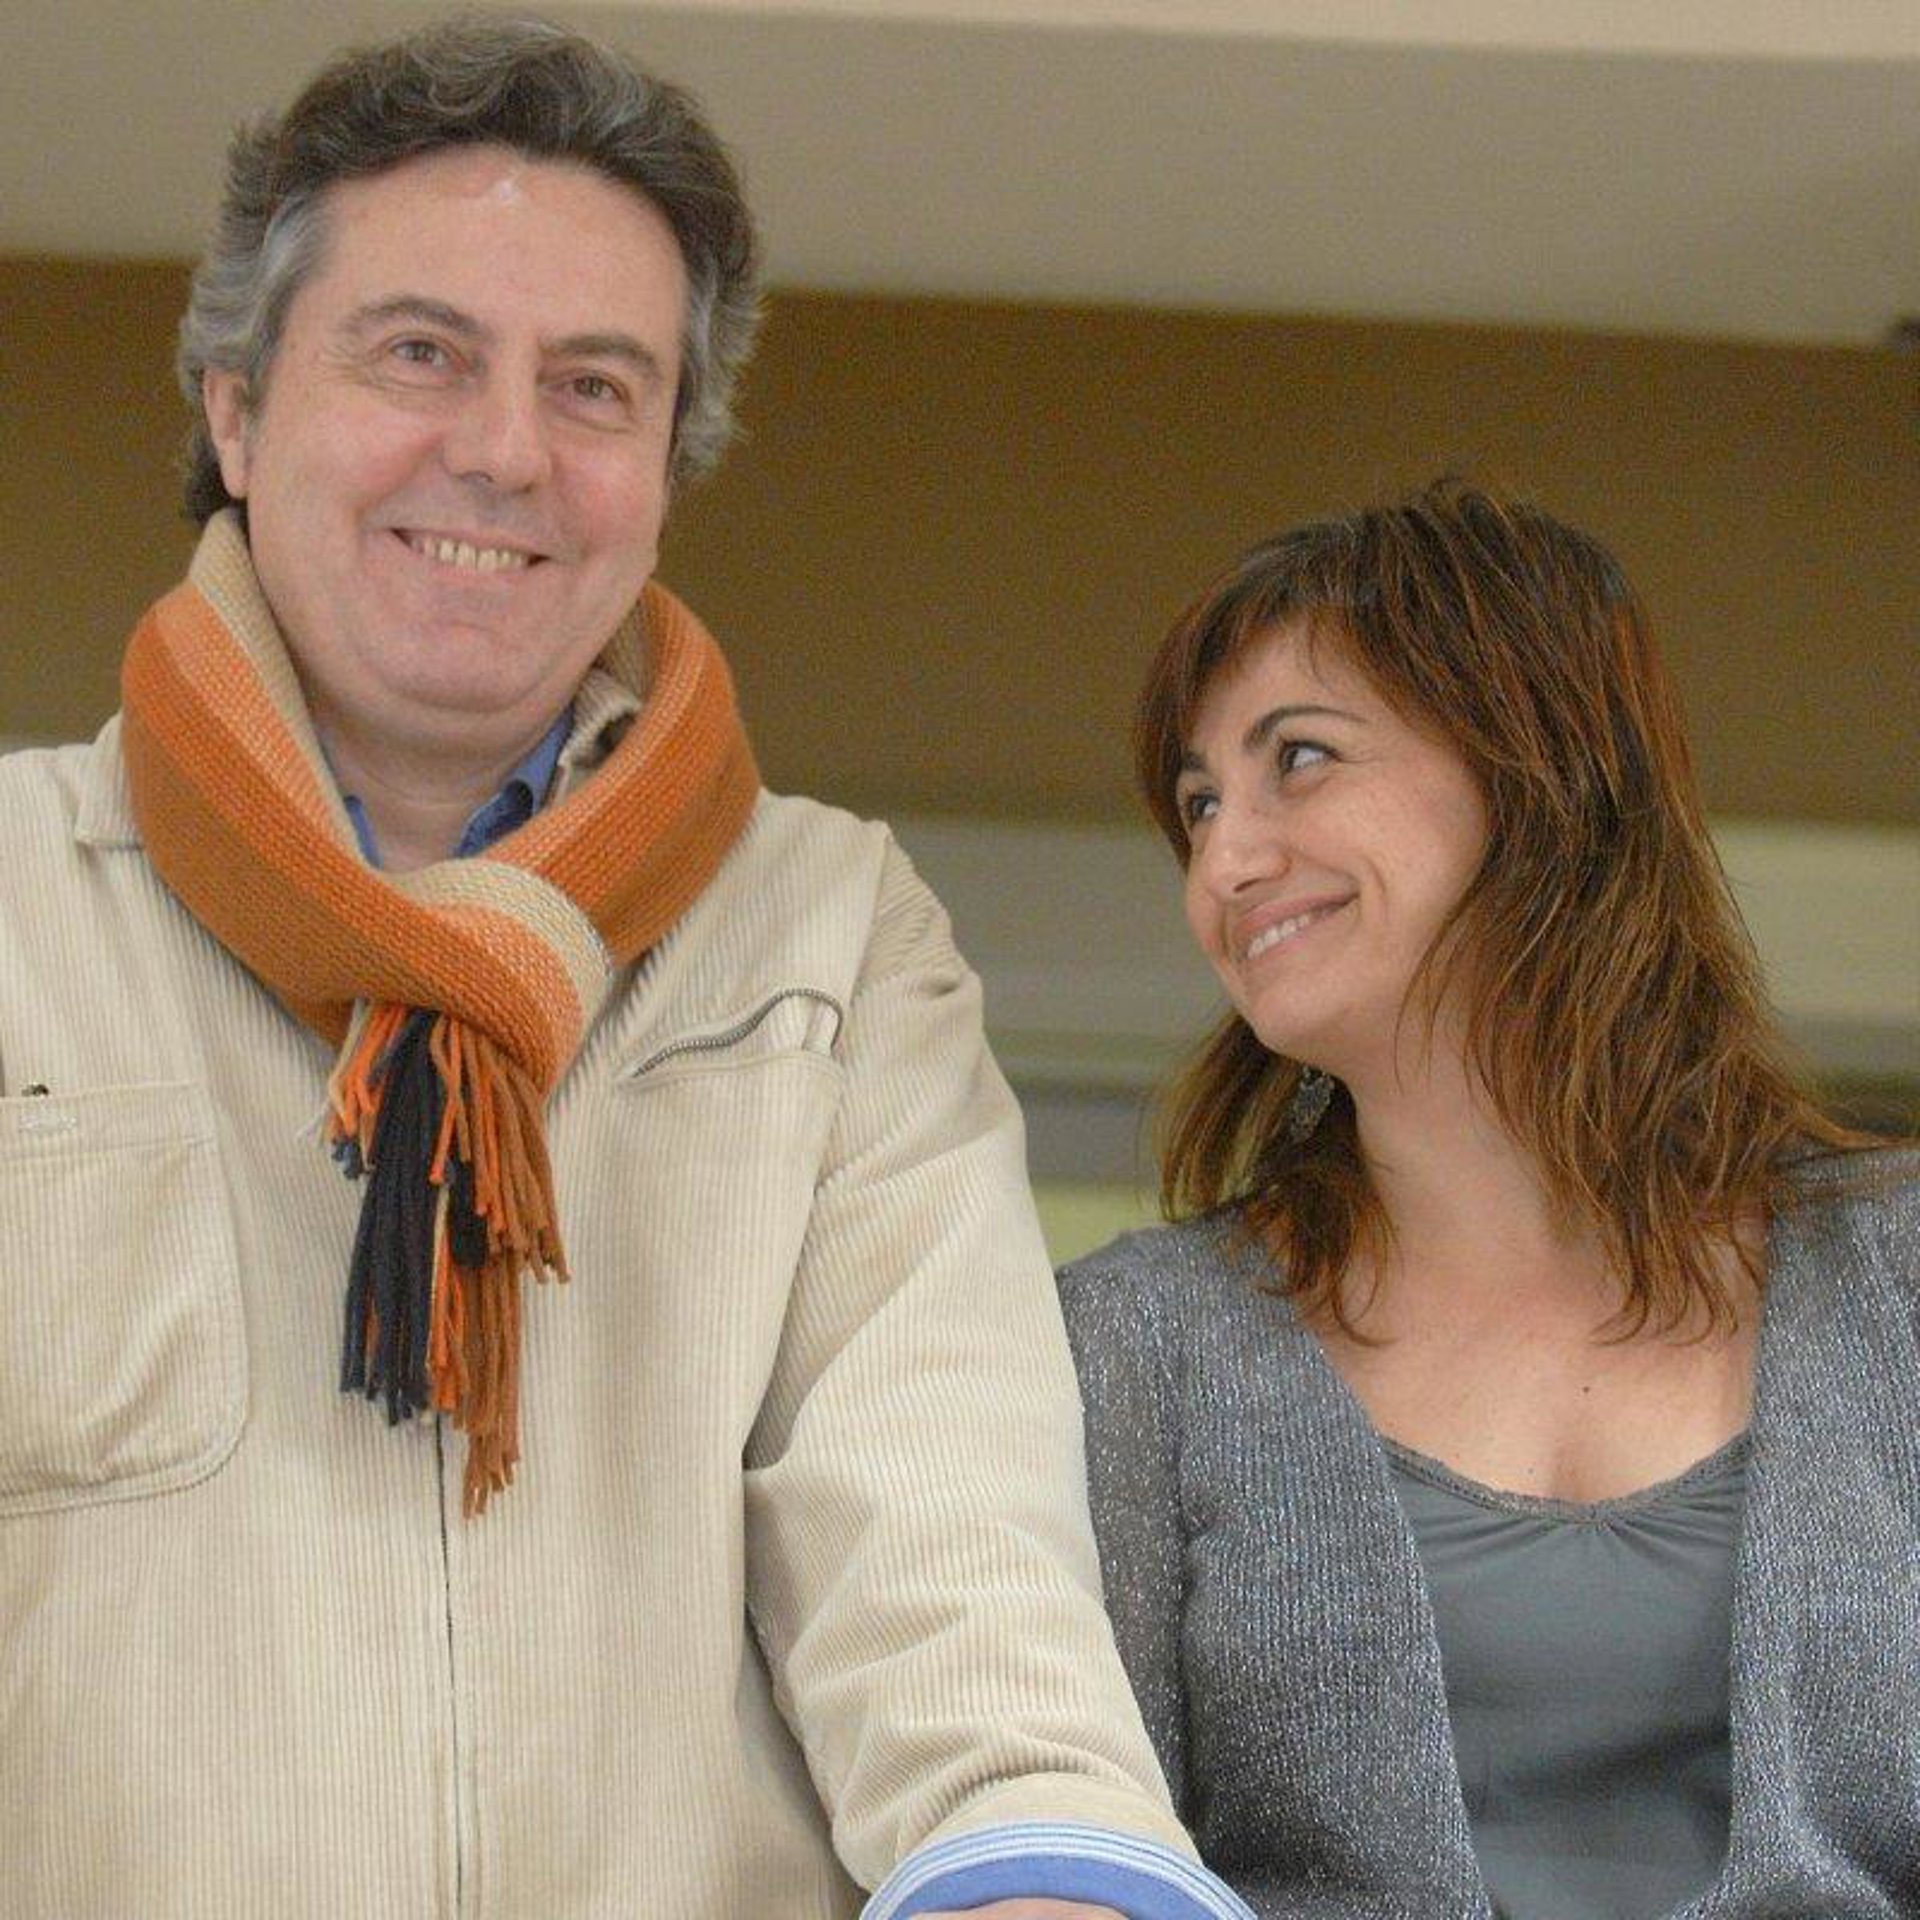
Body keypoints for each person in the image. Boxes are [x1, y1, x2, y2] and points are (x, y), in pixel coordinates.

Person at [0, 19, 1255, 1920]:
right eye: (420, 353)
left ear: (667, 467)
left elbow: (952, 1578)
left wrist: (1037, 1871)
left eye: (595, 387)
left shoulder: (833, 934)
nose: (505, 452)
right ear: (237, 414)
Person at [1058, 481, 1919, 1918]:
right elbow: (1080, 1832)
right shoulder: (1135, 1343)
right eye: (1199, 804)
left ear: (1536, 763)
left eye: (1300, 760)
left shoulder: (1895, 1275)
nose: (1226, 861)